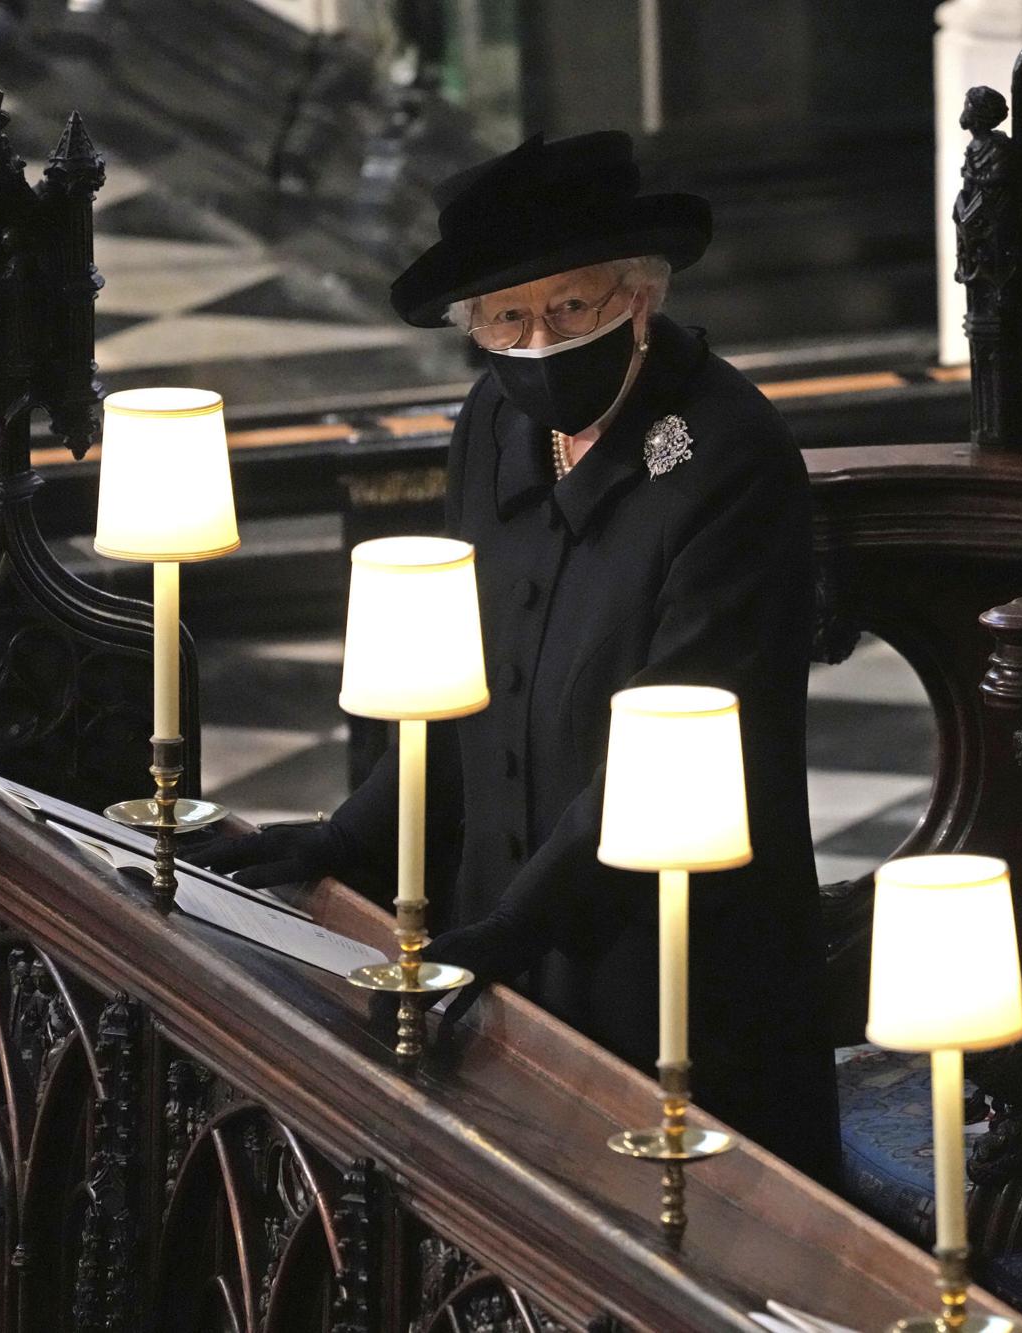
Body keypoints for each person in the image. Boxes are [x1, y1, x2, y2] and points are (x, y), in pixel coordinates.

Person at [201, 131, 841, 1184]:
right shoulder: (493, 419)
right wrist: (340, 837)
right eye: (506, 317)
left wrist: (507, 932)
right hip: (499, 931)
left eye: (569, 307)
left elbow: (674, 738)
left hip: (668, 956)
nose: (537, 339)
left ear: (637, 298)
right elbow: (465, 689)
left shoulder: (727, 456)